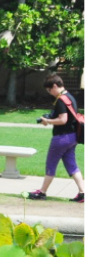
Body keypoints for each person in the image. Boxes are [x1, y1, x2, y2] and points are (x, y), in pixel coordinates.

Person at [28, 74, 85, 203]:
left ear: (54, 86)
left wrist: (47, 121)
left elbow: (63, 119)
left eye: (49, 90)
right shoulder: (70, 97)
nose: (50, 93)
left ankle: (42, 192)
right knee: (72, 165)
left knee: (51, 164)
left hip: (61, 138)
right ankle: (83, 193)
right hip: (73, 137)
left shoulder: (61, 99)